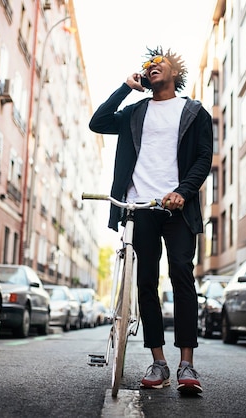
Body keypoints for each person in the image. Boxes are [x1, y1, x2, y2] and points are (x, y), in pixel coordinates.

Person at [89, 46, 213, 395]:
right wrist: (127, 87)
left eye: (160, 63)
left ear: (175, 74)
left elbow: (204, 158)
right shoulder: (134, 112)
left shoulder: (194, 111)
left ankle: (186, 363)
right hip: (138, 207)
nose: (153, 66)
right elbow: (97, 122)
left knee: (181, 275)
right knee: (145, 281)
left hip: (176, 208)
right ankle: (158, 361)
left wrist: (183, 192)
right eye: (149, 65)